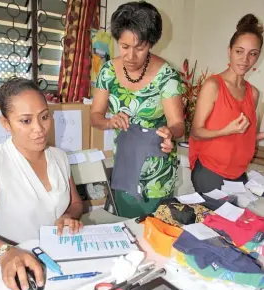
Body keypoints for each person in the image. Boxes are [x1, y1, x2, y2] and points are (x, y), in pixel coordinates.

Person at [0, 78, 83, 290]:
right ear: (6, 124)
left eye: (44, 117)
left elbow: (75, 203)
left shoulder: (60, 157)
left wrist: (68, 216)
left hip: (62, 258)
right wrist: (6, 254)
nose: (39, 129)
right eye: (26, 121)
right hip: (17, 269)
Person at [90, 1, 185, 218]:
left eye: (140, 48)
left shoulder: (167, 77)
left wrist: (171, 133)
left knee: (156, 232)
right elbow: (95, 117)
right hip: (125, 166)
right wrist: (109, 122)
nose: (131, 56)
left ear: (151, 43)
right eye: (124, 47)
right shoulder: (107, 72)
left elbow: (178, 125)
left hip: (157, 174)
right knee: (127, 231)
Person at [189, 14, 264, 193]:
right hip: (209, 171)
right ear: (229, 50)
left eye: (252, 54)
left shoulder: (253, 93)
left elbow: (245, 137)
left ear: (258, 56)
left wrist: (260, 136)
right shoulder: (213, 85)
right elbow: (195, 132)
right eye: (239, 51)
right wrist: (226, 130)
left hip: (238, 173)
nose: (245, 59)